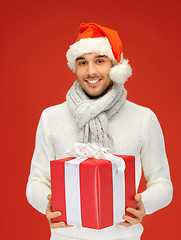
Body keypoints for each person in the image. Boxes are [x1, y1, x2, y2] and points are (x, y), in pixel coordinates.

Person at [26, 23, 173, 240]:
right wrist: (47, 202)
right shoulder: (51, 117)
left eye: (100, 61)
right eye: (82, 62)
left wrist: (143, 204)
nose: (91, 71)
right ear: (74, 67)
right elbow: (35, 181)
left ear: (114, 66)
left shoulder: (143, 118)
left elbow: (163, 184)